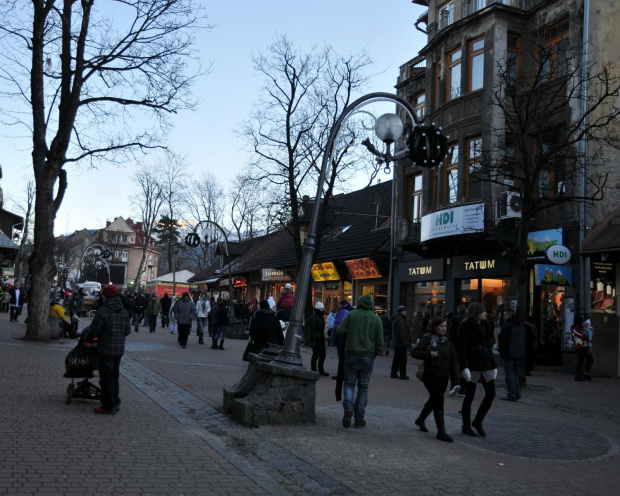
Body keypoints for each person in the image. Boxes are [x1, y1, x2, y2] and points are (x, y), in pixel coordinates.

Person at [336, 293, 384, 428]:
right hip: (368, 356)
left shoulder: (352, 315)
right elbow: (380, 340)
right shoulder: (376, 319)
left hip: (351, 354)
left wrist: (349, 334)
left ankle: (349, 406)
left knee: (349, 384)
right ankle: (359, 418)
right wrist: (376, 352)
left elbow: (340, 330)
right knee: (363, 387)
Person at [82, 285, 131, 414]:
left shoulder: (103, 311)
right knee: (115, 377)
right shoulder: (123, 312)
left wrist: (87, 340)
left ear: (105, 296)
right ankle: (115, 402)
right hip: (119, 350)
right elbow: (128, 330)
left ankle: (108, 406)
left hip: (105, 349)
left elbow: (94, 330)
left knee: (106, 378)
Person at [412, 316, 460, 442]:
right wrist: (428, 354)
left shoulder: (448, 342)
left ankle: (420, 420)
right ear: (435, 327)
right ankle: (441, 432)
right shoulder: (428, 339)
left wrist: (455, 381)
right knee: (438, 400)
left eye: (445, 326)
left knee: (433, 400)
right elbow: (414, 352)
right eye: (441, 326)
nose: (444, 328)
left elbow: (454, 362)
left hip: (443, 376)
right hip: (430, 374)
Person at [456, 302, 497, 437]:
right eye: (483, 311)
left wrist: (493, 364)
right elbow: (461, 347)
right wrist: (464, 366)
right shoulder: (465, 325)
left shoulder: (486, 324)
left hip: (485, 362)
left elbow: (488, 345)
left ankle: (478, 421)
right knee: (470, 395)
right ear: (476, 312)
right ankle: (466, 425)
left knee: (491, 393)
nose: (485, 313)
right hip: (472, 363)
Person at [498, 308, 525, 402]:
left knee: (509, 374)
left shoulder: (507, 327)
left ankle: (511, 394)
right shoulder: (520, 325)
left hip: (509, 354)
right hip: (518, 354)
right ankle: (516, 393)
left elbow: (502, 342)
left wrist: (502, 352)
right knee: (514, 374)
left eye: (505, 315)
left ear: (509, 315)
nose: (504, 316)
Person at [309, 301, 330, 376]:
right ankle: (315, 370)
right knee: (316, 355)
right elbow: (312, 330)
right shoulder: (315, 318)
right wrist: (313, 341)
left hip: (320, 338)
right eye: (322, 308)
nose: (323, 310)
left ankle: (319, 370)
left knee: (321, 355)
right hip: (317, 339)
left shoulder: (319, 317)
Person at [390, 305, 411, 380]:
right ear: (401, 311)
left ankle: (394, 373)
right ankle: (402, 374)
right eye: (405, 311)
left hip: (398, 343)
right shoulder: (400, 319)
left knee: (397, 359)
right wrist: (405, 343)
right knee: (402, 360)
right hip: (401, 344)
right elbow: (402, 333)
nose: (406, 312)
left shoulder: (397, 318)